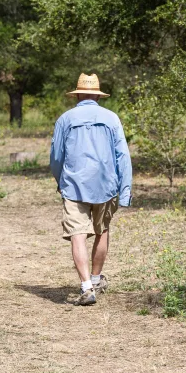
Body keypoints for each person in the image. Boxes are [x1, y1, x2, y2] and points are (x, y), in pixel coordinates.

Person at [49, 73, 132, 306]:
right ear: (97, 95)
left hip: (74, 185)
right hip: (106, 184)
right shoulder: (111, 118)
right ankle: (96, 279)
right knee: (102, 231)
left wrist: (60, 180)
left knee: (77, 234)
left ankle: (86, 287)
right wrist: (124, 190)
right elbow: (122, 156)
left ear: (77, 95)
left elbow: (56, 157)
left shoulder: (65, 119)